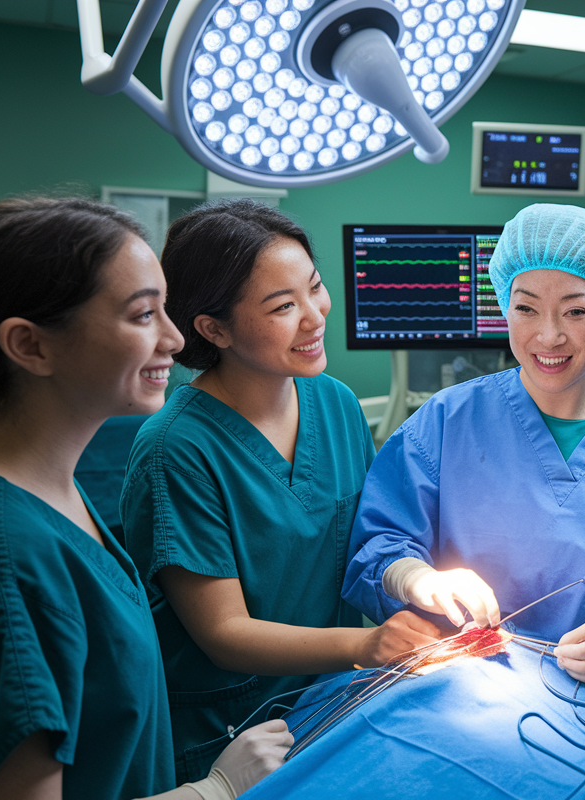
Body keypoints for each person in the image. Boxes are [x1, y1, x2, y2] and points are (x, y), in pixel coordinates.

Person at [0, 197, 291, 800]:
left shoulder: (48, 493)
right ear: (31, 345)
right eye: (143, 315)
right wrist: (216, 790)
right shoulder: (5, 566)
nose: (175, 339)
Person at [120, 200, 444, 783]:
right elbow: (225, 634)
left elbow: (368, 542)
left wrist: (415, 582)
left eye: (315, 289)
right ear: (213, 328)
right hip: (237, 736)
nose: (315, 317)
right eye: (283, 306)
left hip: (340, 704)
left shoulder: (337, 404)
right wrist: (368, 644)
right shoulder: (176, 448)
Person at [344, 203, 585, 689]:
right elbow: (377, 545)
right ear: (504, 306)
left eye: (577, 311)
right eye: (525, 308)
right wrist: (414, 577)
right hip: (458, 701)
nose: (549, 335)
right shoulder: (444, 424)